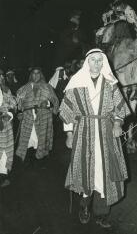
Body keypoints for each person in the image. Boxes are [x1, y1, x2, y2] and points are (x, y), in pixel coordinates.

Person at [59, 49, 130, 228]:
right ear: (87, 62)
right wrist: (69, 134)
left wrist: (117, 124)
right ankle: (84, 207)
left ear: (103, 62)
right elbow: (68, 112)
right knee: (85, 170)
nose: (97, 64)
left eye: (100, 60)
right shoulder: (75, 83)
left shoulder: (111, 83)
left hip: (106, 133)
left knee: (104, 172)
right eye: (93, 60)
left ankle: (102, 213)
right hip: (83, 131)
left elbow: (119, 108)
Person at [15, 68, 59, 163]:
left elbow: (55, 101)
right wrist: (20, 112)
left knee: (41, 137)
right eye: (34, 74)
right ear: (31, 75)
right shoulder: (24, 88)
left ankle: (40, 157)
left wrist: (50, 107)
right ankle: (26, 158)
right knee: (28, 136)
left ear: (41, 75)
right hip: (28, 115)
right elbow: (19, 103)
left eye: (38, 73)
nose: (36, 76)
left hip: (43, 115)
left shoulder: (47, 87)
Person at [0, 70, 16, 187]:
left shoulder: (6, 90)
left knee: (4, 154)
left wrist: (9, 114)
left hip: (5, 127)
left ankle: (2, 178)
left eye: (2, 75)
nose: (1, 78)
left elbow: (13, 105)